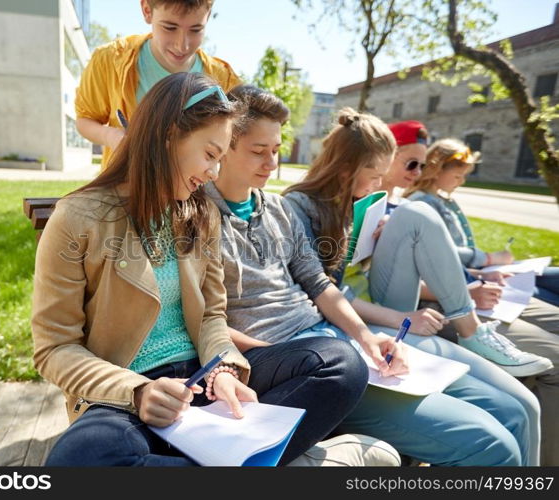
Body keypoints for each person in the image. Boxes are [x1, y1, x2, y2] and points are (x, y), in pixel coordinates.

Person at [31, 72, 371, 466]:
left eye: (220, 158)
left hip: (205, 378)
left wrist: (223, 368)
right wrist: (137, 391)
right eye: (210, 154)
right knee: (80, 459)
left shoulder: (199, 213)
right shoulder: (77, 218)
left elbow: (211, 315)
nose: (213, 172)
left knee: (340, 362)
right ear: (168, 135)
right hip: (127, 394)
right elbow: (55, 348)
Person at [209, 85, 531, 466]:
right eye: (258, 151)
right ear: (224, 144)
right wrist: (303, 357)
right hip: (302, 366)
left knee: (512, 413)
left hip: (337, 342)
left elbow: (319, 284)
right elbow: (202, 316)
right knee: (494, 445)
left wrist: (365, 338)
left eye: (276, 151)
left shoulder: (277, 208)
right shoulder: (196, 216)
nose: (271, 163)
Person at [403, 136, 559, 465]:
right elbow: (431, 266)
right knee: (545, 366)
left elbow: (446, 262)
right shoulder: (415, 205)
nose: (415, 173)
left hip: (467, 291)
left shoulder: (435, 202)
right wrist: (480, 269)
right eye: (411, 164)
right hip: (450, 304)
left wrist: (477, 273)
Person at [75, 0, 240, 169]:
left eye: (196, 30)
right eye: (170, 27)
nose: (182, 45)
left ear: (208, 16)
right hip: (126, 188)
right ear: (147, 10)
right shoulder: (110, 59)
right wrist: (110, 136)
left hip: (195, 192)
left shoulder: (224, 78)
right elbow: (85, 120)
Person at [404, 137, 559, 307]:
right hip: (466, 276)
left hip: (476, 271)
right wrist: (488, 259)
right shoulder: (423, 203)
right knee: (543, 295)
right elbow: (438, 251)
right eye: (457, 176)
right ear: (436, 170)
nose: (462, 181)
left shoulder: (442, 199)